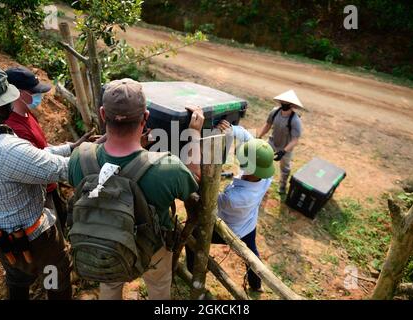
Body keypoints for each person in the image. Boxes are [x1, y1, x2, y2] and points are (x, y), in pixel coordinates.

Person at [67, 78, 204, 300]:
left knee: (110, 287)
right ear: (146, 117)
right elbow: (194, 179)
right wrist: (194, 134)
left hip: (105, 245)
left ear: (103, 115)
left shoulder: (79, 158)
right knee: (159, 289)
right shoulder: (166, 167)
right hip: (153, 249)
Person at [0, 64, 72, 300]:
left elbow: (38, 155)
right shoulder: (5, 149)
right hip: (33, 237)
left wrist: (71, 147)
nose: (9, 106)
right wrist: (97, 155)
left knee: (17, 273)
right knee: (54, 273)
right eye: (5, 101)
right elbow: (59, 170)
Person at [187, 121, 275, 292]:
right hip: (249, 223)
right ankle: (256, 285)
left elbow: (208, 199)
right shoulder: (265, 176)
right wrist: (230, 129)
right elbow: (247, 137)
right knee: (252, 256)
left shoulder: (235, 199)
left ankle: (192, 272)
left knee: (193, 237)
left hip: (230, 228)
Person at [4, 66, 93, 230]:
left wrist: (73, 146)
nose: (39, 96)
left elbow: (42, 148)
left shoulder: (26, 113)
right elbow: (37, 162)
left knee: (63, 221)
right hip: (41, 194)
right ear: (19, 93)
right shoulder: (15, 129)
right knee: (54, 230)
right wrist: (86, 156)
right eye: (34, 92)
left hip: (51, 185)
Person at [258, 90, 304, 194]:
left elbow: (295, 140)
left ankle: (282, 186)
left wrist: (283, 151)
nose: (283, 103)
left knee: (285, 168)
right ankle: (262, 181)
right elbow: (268, 125)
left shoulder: (295, 120)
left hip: (286, 147)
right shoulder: (275, 112)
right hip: (272, 142)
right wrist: (259, 136)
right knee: (263, 159)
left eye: (286, 102)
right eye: (282, 101)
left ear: (292, 105)